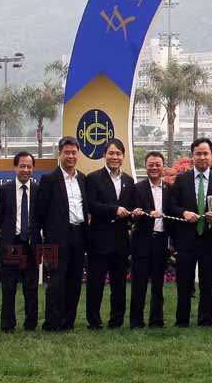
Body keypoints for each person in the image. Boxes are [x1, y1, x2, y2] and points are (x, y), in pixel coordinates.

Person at [166, 137, 212, 327]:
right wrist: (184, 213)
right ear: (192, 156)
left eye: (205, 153)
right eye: (198, 153)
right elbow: (171, 206)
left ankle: (205, 320)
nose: (202, 157)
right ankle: (182, 320)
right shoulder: (181, 180)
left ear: (211, 155)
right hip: (186, 241)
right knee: (184, 283)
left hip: (209, 240)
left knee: (207, 283)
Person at [35, 136, 89, 332]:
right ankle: (52, 323)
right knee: (56, 282)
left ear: (78, 154)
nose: (71, 156)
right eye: (67, 153)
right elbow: (40, 213)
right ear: (60, 154)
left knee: (75, 280)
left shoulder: (82, 178)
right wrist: (47, 236)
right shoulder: (49, 179)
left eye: (74, 152)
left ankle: (68, 322)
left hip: (78, 235)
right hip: (55, 238)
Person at [85, 138, 136, 330]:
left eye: (118, 154)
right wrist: (114, 210)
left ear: (123, 156)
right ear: (104, 155)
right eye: (111, 153)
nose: (115, 157)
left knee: (119, 284)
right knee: (95, 284)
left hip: (121, 241)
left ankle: (116, 320)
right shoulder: (93, 178)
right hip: (99, 240)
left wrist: (135, 213)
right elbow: (92, 205)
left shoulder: (129, 181)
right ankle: (94, 321)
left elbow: (131, 207)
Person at [0, 151, 40, 333]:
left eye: (29, 166)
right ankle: (8, 325)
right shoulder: (5, 190)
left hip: (31, 244)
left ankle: (31, 324)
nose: (26, 170)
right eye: (22, 166)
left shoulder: (38, 190)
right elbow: (0, 216)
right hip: (12, 243)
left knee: (31, 287)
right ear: (15, 167)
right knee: (9, 286)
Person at [130, 151, 171, 329]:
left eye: (157, 164)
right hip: (142, 241)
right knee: (138, 284)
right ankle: (136, 321)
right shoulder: (137, 188)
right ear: (145, 167)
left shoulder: (170, 189)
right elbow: (132, 213)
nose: (154, 168)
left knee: (158, 284)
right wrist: (142, 213)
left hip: (161, 241)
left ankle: (156, 320)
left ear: (163, 167)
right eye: (151, 165)